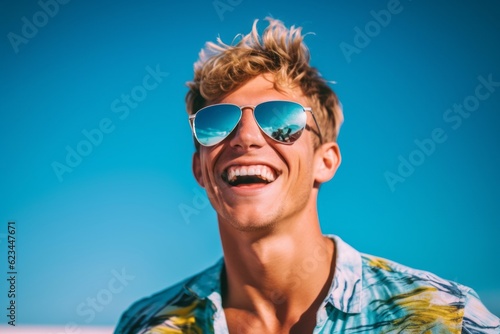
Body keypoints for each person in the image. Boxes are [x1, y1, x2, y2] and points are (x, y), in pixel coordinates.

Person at [114, 18, 499, 333]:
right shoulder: (146, 325)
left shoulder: (446, 318)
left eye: (281, 121)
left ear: (325, 161)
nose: (246, 137)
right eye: (217, 124)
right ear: (200, 167)